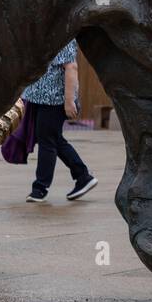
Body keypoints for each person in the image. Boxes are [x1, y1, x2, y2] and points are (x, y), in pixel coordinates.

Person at [21, 39, 98, 203]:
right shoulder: (47, 30)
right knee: (54, 139)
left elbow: (71, 67)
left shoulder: (63, 36)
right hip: (40, 99)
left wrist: (69, 101)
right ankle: (83, 176)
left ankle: (40, 188)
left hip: (54, 100)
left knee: (47, 141)